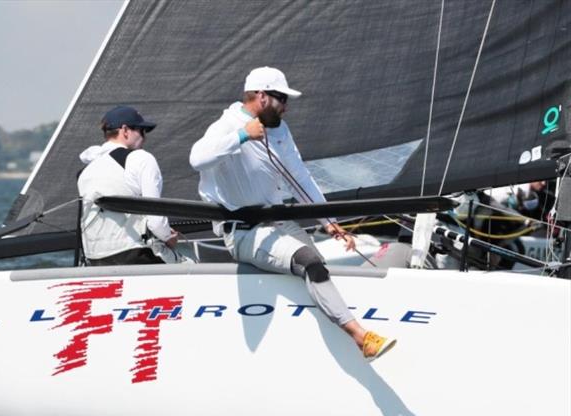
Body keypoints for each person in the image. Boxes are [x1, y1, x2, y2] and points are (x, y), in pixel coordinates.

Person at [189, 67, 395, 361]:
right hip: (245, 230)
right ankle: (362, 340)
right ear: (261, 96)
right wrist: (241, 136)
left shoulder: (280, 130)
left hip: (280, 222)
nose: (286, 106)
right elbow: (196, 158)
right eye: (281, 98)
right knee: (308, 261)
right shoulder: (227, 124)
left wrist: (331, 224)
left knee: (320, 266)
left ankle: (333, 336)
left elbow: (300, 177)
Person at [77, 105, 179, 265]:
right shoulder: (141, 159)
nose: (145, 138)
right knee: (193, 268)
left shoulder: (86, 170)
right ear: (125, 130)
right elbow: (156, 219)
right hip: (136, 254)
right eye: (141, 131)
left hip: (94, 259)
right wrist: (168, 238)